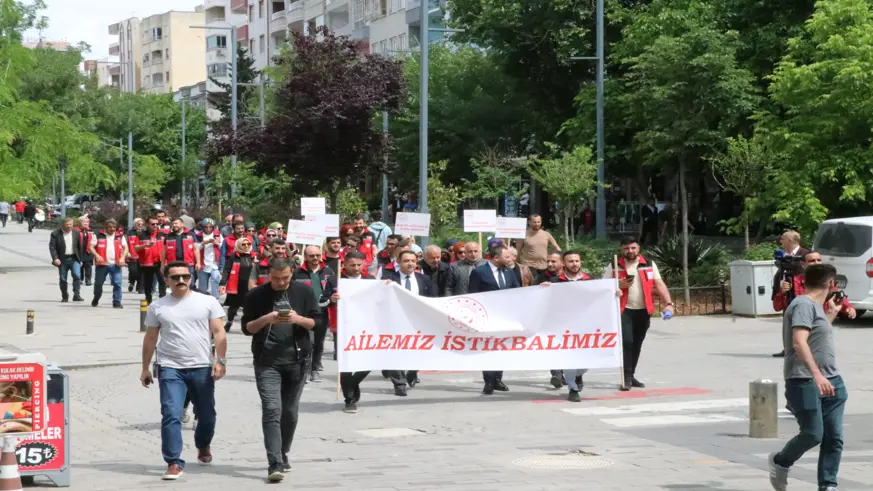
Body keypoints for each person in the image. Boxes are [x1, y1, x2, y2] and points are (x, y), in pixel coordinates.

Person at [140, 261, 227, 481]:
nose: (181, 281)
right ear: (166, 280)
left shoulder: (207, 301)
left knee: (207, 415)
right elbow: (150, 338)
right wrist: (145, 368)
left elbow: (218, 331)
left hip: (201, 366)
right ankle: (173, 462)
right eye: (175, 277)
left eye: (185, 277)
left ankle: (203, 444)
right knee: (171, 413)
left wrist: (220, 361)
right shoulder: (158, 306)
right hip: (170, 367)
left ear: (191, 278)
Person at [768, 264, 847, 491]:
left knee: (834, 438)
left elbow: (815, 336)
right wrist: (817, 375)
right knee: (813, 434)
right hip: (805, 380)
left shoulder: (815, 306)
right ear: (831, 284)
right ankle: (780, 461)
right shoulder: (803, 305)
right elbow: (799, 342)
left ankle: (828, 485)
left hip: (832, 379)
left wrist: (831, 313)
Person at [240, 257, 318, 482]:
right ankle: (274, 462)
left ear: (292, 273)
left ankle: (283, 451)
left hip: (297, 360)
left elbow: (317, 322)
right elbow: (247, 328)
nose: (281, 282)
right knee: (272, 409)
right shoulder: (256, 295)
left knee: (290, 411)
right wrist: (267, 319)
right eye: (275, 278)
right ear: (268, 275)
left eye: (285, 278)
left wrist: (298, 319)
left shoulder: (303, 291)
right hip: (267, 362)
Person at [603, 237, 674, 391]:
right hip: (624, 310)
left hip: (643, 310)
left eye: (633, 248)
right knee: (627, 342)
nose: (630, 251)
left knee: (637, 343)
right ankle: (626, 377)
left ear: (638, 248)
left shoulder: (648, 264)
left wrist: (669, 304)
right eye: (626, 248)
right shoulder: (614, 265)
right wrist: (617, 284)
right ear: (621, 249)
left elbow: (659, 284)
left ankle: (631, 374)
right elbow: (603, 286)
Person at [320, 250, 372, 412]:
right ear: (345, 264)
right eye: (352, 265)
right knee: (346, 364)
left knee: (368, 361)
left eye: (359, 265)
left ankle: (353, 384)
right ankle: (350, 399)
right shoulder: (335, 280)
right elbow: (322, 301)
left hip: (366, 327)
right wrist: (331, 299)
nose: (356, 268)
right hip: (343, 327)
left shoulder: (370, 280)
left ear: (364, 264)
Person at [383, 250, 438, 395]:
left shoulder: (424, 279)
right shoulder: (389, 279)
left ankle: (412, 371)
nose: (410, 264)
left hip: (418, 322)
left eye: (413, 261)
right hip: (395, 321)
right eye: (406, 261)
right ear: (398, 262)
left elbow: (432, 298)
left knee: (417, 349)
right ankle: (399, 383)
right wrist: (384, 287)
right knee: (395, 351)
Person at [468, 245, 521, 394]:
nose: (510, 259)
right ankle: (489, 381)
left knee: (502, 348)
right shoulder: (479, 272)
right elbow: (473, 294)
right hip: (487, 317)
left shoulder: (509, 272)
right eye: (507, 257)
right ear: (496, 258)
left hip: (506, 317)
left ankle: (498, 379)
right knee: (488, 349)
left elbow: (518, 291)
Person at [293, 245, 337, 382]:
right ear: (305, 256)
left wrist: (333, 298)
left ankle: (315, 369)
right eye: (311, 256)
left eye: (318, 255)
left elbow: (334, 289)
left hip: (322, 312)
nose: (315, 258)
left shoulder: (329, 272)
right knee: (306, 342)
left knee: (319, 343)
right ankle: (304, 370)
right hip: (304, 313)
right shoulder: (297, 273)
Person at [772, 230, 812, 358]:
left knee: (801, 322)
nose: (780, 241)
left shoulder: (805, 254)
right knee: (786, 321)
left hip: (800, 292)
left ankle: (803, 348)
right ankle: (787, 348)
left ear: (790, 240)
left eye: (783, 238)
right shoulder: (782, 255)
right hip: (785, 292)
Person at [89, 219, 129, 309]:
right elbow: (91, 247)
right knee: (98, 284)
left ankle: (117, 302)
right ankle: (96, 297)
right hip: (102, 264)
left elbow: (126, 248)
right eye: (110, 227)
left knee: (117, 284)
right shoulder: (98, 235)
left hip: (116, 264)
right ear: (105, 227)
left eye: (114, 227)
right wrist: (97, 255)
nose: (112, 229)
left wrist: (122, 258)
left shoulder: (120, 236)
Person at [219, 237, 256, 332]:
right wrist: (222, 283)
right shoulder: (233, 256)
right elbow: (227, 270)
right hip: (236, 286)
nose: (246, 246)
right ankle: (229, 322)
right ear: (238, 245)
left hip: (249, 287)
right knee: (233, 307)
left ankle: (247, 326)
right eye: (243, 244)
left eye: (248, 244)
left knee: (249, 307)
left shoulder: (253, 256)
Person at [48, 217, 85, 302]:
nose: (69, 226)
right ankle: (65, 296)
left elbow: (80, 246)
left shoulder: (76, 232)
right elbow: (52, 247)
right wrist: (55, 258)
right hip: (62, 259)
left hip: (74, 258)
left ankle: (76, 295)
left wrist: (81, 259)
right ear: (62, 225)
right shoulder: (55, 233)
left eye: (70, 224)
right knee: (63, 278)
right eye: (67, 224)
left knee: (77, 275)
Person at [517, 214, 561, 280]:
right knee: (534, 283)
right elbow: (518, 250)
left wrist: (561, 259)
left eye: (538, 222)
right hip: (529, 265)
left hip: (544, 265)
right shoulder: (523, 234)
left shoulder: (546, 234)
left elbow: (556, 247)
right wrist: (515, 264)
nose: (537, 224)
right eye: (534, 222)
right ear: (529, 222)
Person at [137, 217, 167, 304]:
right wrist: (144, 246)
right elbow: (135, 248)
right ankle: (148, 297)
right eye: (153, 224)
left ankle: (162, 298)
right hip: (147, 262)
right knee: (148, 282)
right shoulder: (141, 235)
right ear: (147, 225)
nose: (155, 225)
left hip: (160, 262)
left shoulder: (162, 235)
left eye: (157, 224)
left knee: (162, 280)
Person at [195, 219, 223, 299]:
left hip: (215, 264)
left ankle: (215, 299)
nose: (208, 229)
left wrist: (216, 243)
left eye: (210, 227)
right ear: (203, 227)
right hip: (203, 264)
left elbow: (223, 247)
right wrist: (203, 243)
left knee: (215, 280)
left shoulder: (218, 235)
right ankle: (204, 301)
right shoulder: (198, 235)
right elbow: (195, 248)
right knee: (202, 287)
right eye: (206, 227)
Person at [127, 218, 145, 294]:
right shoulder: (130, 233)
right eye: (138, 224)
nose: (140, 225)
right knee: (133, 271)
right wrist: (127, 253)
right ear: (135, 224)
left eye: (142, 224)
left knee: (142, 272)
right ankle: (132, 282)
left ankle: (140, 287)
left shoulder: (145, 233)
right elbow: (126, 243)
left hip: (142, 256)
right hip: (132, 255)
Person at [77, 216, 95, 286]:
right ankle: (80, 279)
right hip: (79, 251)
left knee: (88, 266)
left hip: (88, 252)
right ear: (79, 223)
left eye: (87, 222)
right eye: (84, 222)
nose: (86, 223)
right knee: (80, 266)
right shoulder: (76, 231)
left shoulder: (91, 231)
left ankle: (88, 279)